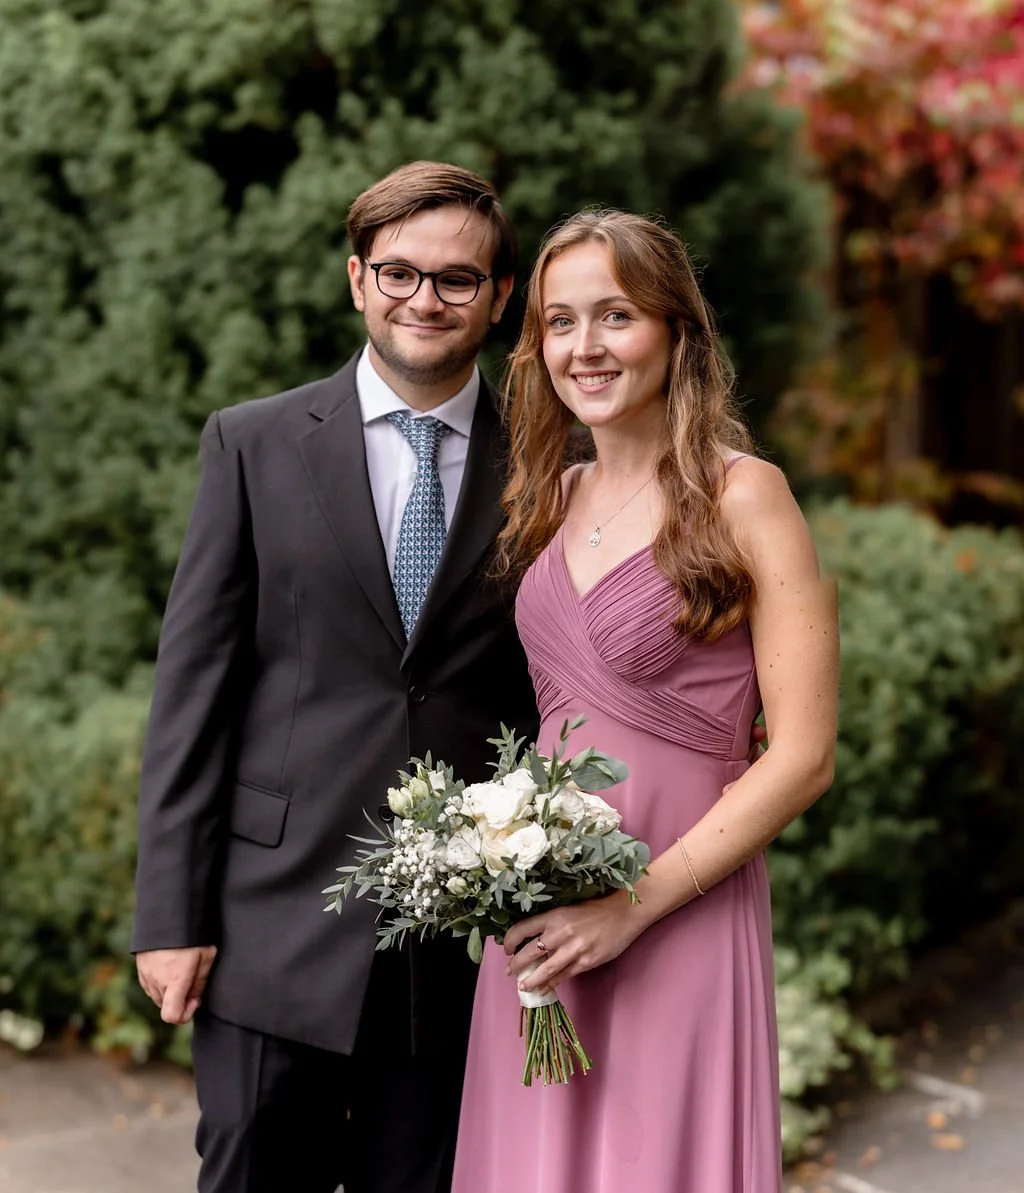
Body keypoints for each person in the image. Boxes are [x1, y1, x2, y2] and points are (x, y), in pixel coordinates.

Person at [130, 162, 541, 1193]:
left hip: (455, 941)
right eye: (398, 272)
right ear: (357, 279)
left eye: (456, 279)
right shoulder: (252, 442)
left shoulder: (547, 462)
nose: (424, 300)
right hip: (272, 916)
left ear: (498, 299)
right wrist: (170, 914)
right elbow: (193, 690)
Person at [451, 211, 839, 1193]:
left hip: (680, 909)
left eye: (615, 314)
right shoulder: (547, 496)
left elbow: (802, 757)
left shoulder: (746, 494)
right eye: (559, 320)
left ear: (675, 330)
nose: (585, 346)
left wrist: (630, 905)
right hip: (544, 919)